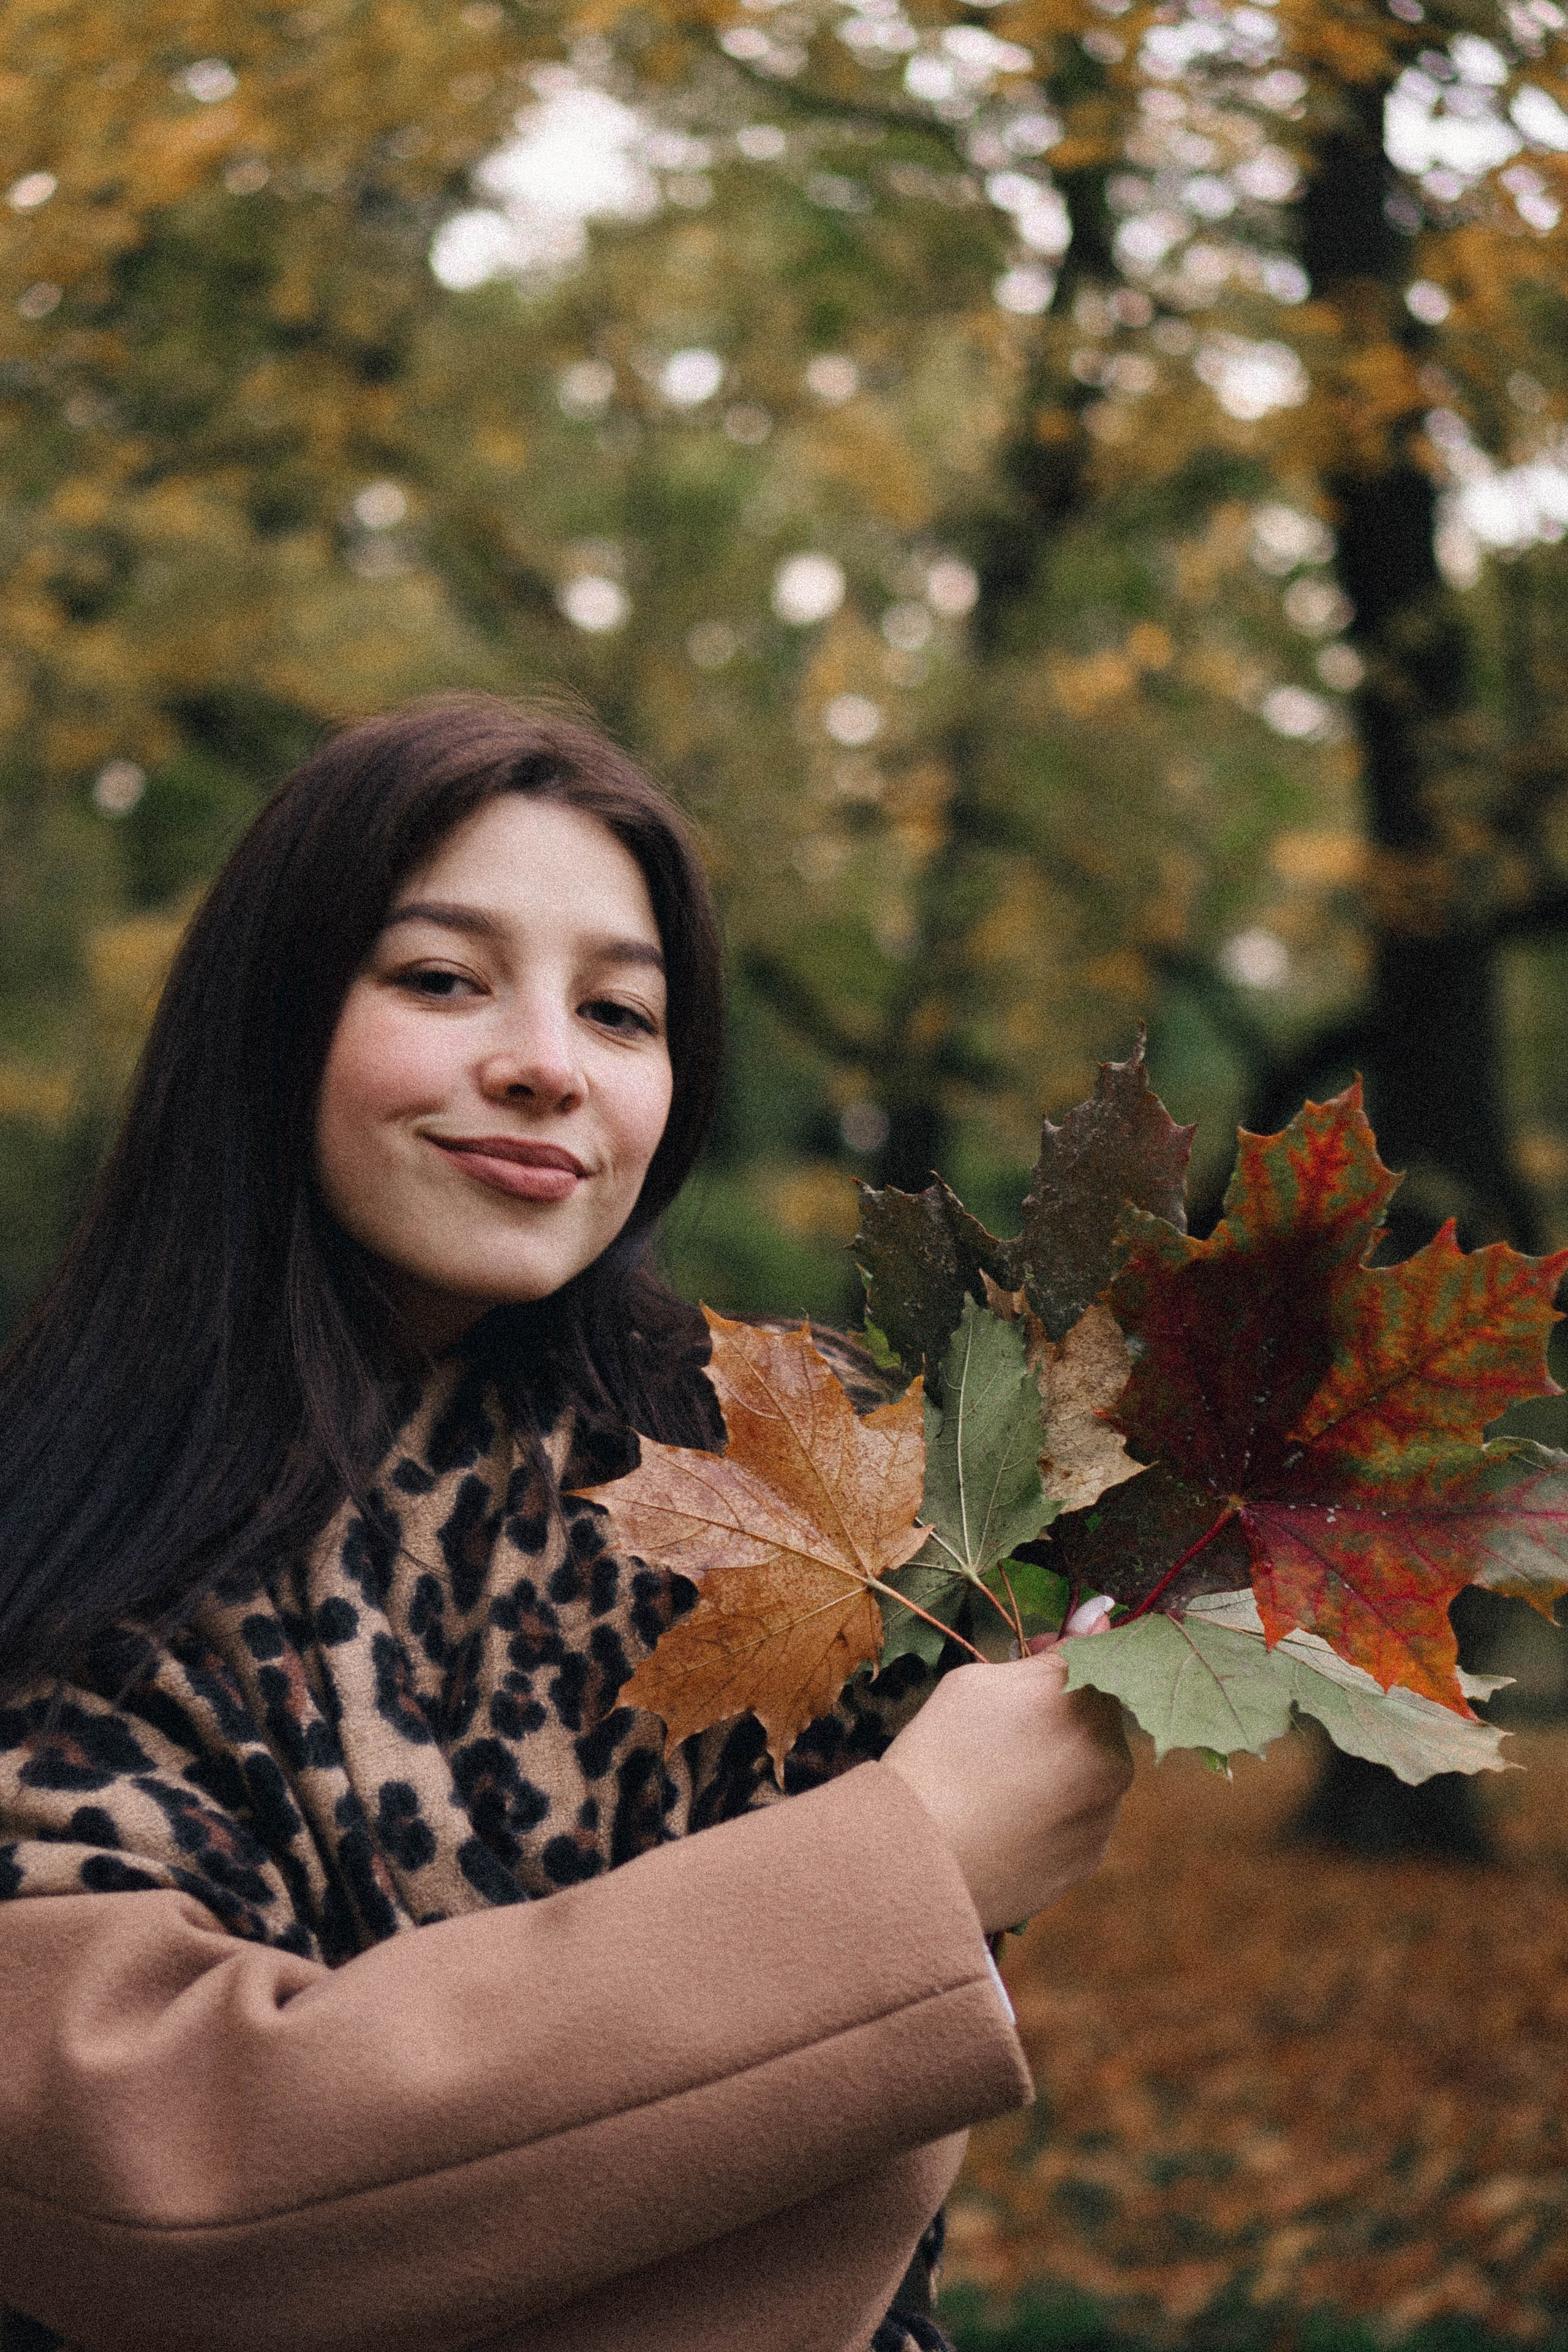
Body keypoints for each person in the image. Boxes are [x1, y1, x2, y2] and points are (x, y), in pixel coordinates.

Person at [0, 696, 1132, 2352]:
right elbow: (159, 2180)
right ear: (270, 1020)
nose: (546, 1062)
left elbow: (862, 2180)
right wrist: (909, 1879)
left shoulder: (793, 1493)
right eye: (441, 979)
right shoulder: (78, 1531)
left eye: (621, 1009)